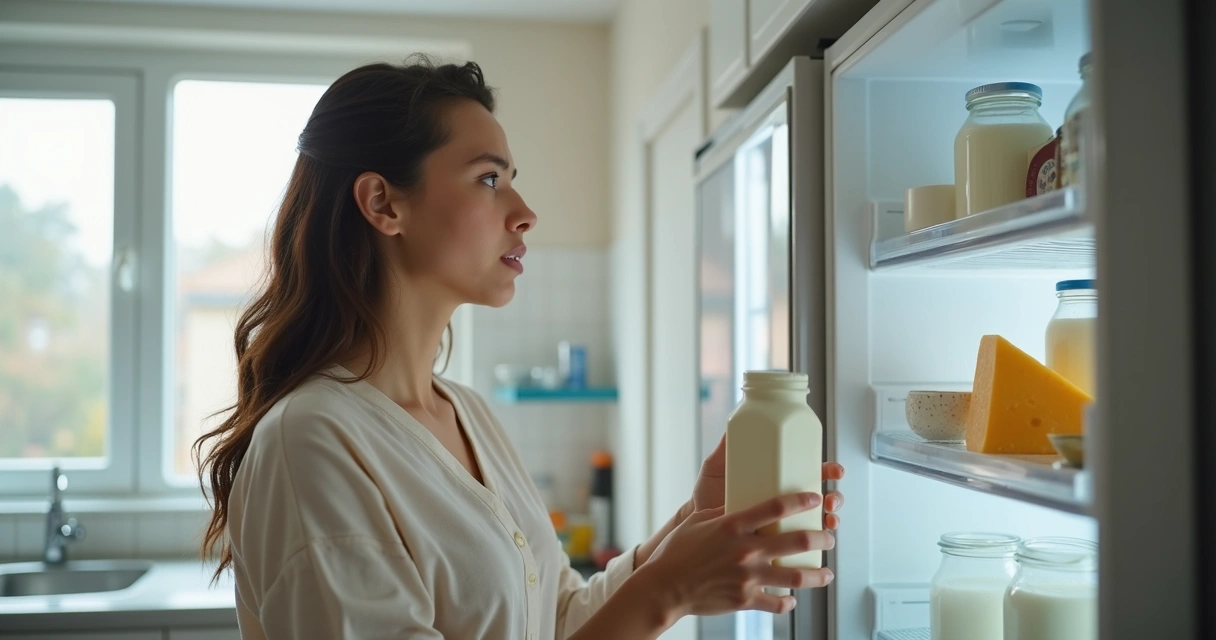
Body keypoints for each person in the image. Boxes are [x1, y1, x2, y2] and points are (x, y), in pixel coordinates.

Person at [194, 57, 845, 640]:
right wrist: (667, 591)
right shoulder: (310, 443)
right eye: (487, 179)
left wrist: (690, 529)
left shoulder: (467, 413)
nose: (525, 211)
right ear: (383, 203)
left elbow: (558, 619)